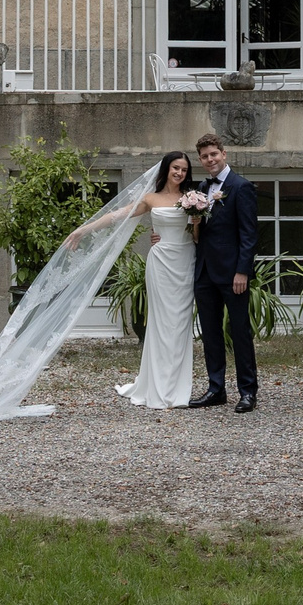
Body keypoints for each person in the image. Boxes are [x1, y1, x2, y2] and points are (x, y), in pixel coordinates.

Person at [109, 152, 200, 410]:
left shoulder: (193, 199)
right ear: (166, 169)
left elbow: (197, 239)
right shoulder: (151, 198)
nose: (179, 173)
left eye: (184, 169)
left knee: (181, 324)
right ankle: (157, 386)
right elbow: (121, 214)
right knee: (161, 324)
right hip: (160, 264)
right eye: (175, 167)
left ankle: (176, 388)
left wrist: (196, 223)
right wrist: (85, 229)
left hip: (185, 262)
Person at [187, 134, 259, 414]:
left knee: (240, 331)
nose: (209, 160)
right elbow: (200, 232)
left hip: (232, 275)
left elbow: (249, 235)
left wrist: (242, 271)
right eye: (204, 156)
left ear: (224, 154)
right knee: (211, 333)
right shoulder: (202, 188)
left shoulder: (241, 187)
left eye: (213, 154)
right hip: (204, 272)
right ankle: (216, 389)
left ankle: (248, 391)